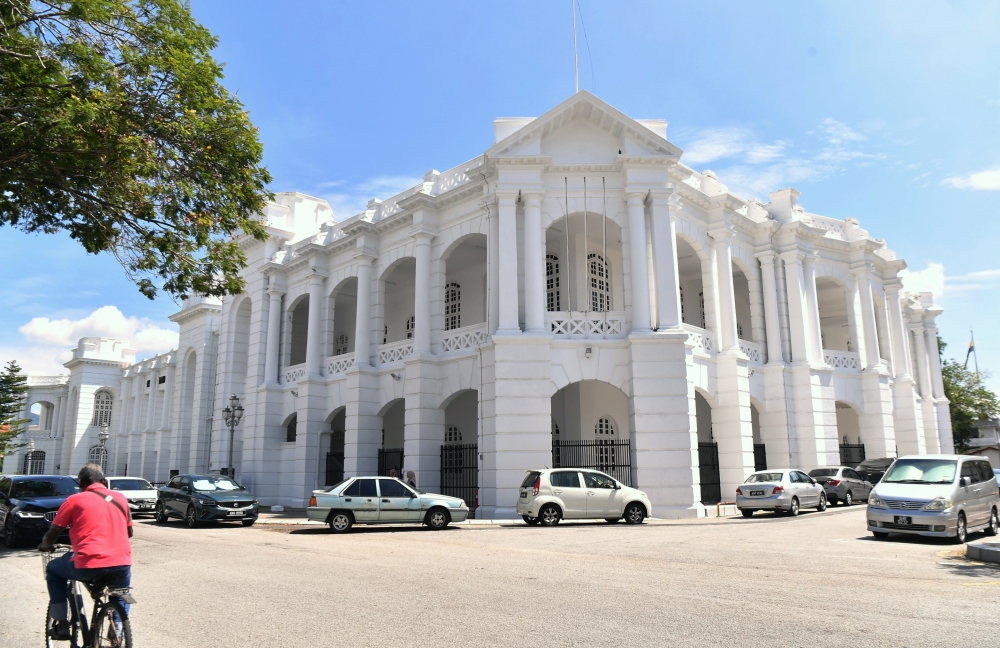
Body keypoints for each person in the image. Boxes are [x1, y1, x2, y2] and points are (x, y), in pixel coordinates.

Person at [39, 464, 133, 641]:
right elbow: (129, 533)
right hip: (121, 563)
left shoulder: (74, 500)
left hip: (87, 563)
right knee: (120, 593)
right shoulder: (121, 498)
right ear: (104, 482)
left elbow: (54, 531)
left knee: (53, 569)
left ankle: (62, 624)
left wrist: (46, 544)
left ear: (80, 483)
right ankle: (117, 633)